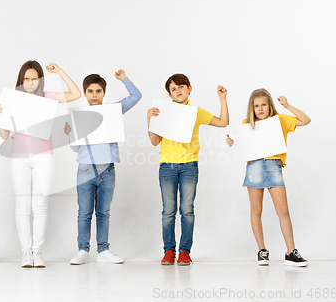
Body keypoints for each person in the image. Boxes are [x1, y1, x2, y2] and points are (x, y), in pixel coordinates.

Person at [0, 61, 81, 268]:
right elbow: (5, 135)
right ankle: (26, 252)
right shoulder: (12, 100)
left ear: (40, 80)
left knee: (40, 205)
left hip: (44, 156)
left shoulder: (47, 97)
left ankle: (37, 251)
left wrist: (59, 71)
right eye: (26, 79)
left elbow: (75, 94)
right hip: (19, 157)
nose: (30, 82)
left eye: (34, 78)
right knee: (22, 206)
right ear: (21, 80)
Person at [147, 74, 228, 266]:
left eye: (181, 87)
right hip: (167, 165)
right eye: (173, 89)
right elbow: (154, 141)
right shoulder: (163, 111)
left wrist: (222, 99)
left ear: (189, 88)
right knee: (168, 211)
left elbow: (223, 122)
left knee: (187, 210)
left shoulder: (195, 111)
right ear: (169, 94)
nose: (178, 91)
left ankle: (184, 252)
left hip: (189, 165)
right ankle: (168, 251)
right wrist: (149, 120)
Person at [64, 69, 142, 265]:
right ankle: (82, 250)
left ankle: (103, 250)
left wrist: (124, 78)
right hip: (85, 168)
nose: (94, 95)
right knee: (84, 212)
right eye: (90, 91)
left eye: (98, 91)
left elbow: (136, 96)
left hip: (107, 169)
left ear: (104, 92)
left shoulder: (113, 110)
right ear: (84, 93)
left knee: (103, 212)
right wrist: (70, 133)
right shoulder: (80, 115)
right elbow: (75, 148)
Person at [226, 88, 310, 267]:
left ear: (270, 105)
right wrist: (233, 142)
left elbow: (305, 120)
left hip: (273, 167)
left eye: (264, 104)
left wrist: (287, 105)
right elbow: (241, 143)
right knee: (256, 209)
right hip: (254, 167)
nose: (260, 109)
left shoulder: (279, 120)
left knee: (283, 210)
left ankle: (291, 251)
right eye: (256, 106)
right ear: (252, 108)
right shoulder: (247, 124)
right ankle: (262, 250)